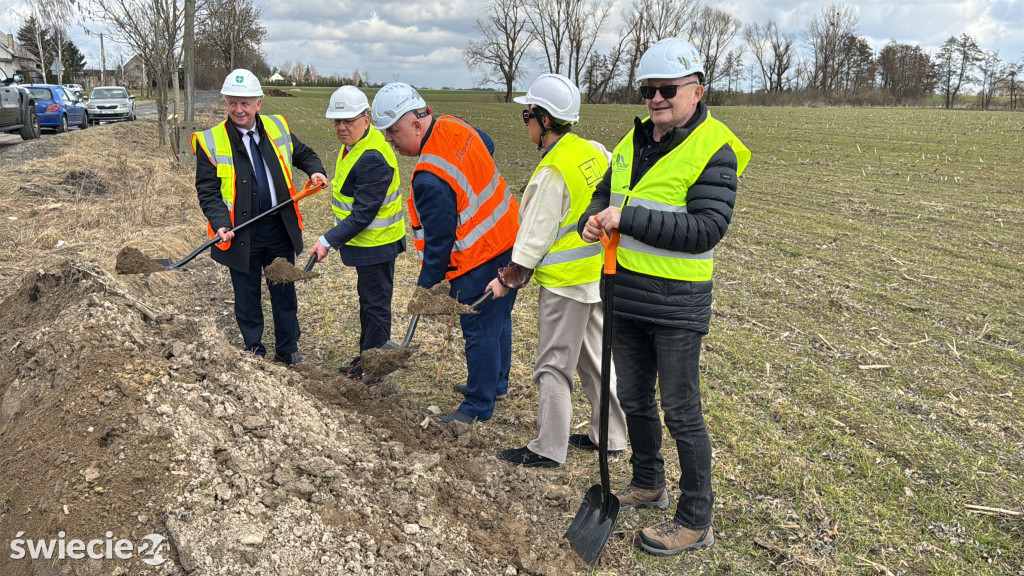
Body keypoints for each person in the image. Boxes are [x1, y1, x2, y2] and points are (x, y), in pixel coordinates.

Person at [579, 39, 750, 556]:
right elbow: (608, 193)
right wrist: (595, 215)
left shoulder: (714, 147)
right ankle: (648, 480)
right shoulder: (632, 142)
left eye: (667, 89)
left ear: (696, 91)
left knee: (681, 410)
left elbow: (705, 229)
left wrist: (625, 219)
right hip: (625, 291)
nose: (656, 98)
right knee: (633, 398)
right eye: (649, 89)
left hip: (677, 303)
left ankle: (696, 519)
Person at [483, 74, 628, 469]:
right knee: (595, 359)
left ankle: (547, 448)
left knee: (553, 365)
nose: (526, 124)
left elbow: (533, 235)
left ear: (545, 120)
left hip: (565, 286)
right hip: (599, 275)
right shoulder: (595, 151)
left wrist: (509, 277)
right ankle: (612, 435)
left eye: (527, 116)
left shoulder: (552, 171)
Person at [370, 82, 519, 424]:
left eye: (393, 132)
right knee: (499, 320)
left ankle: (477, 407)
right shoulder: (455, 125)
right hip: (510, 239)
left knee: (480, 331)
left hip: (478, 258)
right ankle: (496, 383)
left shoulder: (428, 178)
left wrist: (427, 288)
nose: (390, 140)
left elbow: (439, 244)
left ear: (417, 124)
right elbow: (488, 144)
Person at [193, 69, 328, 365]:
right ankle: (254, 349)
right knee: (247, 292)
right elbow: (208, 190)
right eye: (232, 103)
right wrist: (220, 223)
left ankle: (288, 348)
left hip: (279, 227)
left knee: (283, 288)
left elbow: (303, 152)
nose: (238, 110)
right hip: (240, 232)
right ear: (226, 104)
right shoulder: (211, 141)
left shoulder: (276, 128)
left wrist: (315, 170)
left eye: (245, 103)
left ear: (258, 103)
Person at [309, 86, 405, 383]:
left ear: (366, 118)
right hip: (366, 245)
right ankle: (367, 356)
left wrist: (327, 240)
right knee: (368, 303)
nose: (341, 127)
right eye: (336, 121)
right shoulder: (355, 145)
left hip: (378, 244)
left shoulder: (373, 155)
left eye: (348, 121)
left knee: (376, 307)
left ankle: (374, 370)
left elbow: (364, 213)